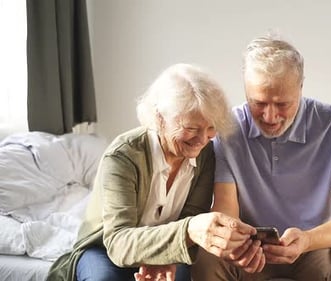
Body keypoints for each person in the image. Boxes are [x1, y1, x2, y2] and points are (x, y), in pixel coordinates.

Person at [191, 34, 331, 280]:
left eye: (282, 104)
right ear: (245, 90)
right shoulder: (227, 128)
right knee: (206, 260)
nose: (269, 116)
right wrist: (239, 242)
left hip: (314, 244)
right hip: (250, 248)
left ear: (301, 88)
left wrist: (307, 240)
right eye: (258, 103)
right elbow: (226, 209)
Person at [46, 63, 259, 281]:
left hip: (168, 248)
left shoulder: (205, 155)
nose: (203, 139)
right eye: (191, 128)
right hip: (104, 249)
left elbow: (190, 215)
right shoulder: (123, 156)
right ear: (160, 118)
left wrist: (165, 256)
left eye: (211, 128)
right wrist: (186, 232)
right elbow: (119, 243)